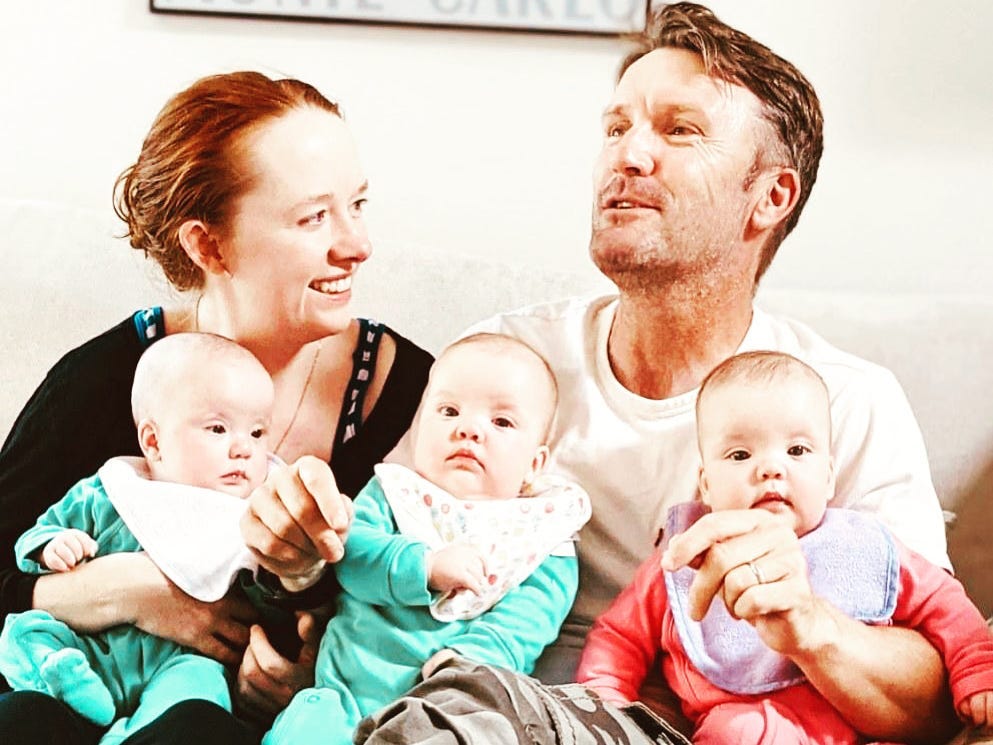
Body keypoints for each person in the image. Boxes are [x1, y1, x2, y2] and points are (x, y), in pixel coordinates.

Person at [355, 3, 962, 743]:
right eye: (616, 127)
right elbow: (380, 541)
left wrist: (811, 624)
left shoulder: (845, 401)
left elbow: (936, 703)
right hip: (480, 697)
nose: (627, 156)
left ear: (769, 196)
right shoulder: (501, 363)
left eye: (678, 130)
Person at [0, 71, 433, 745]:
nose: (357, 244)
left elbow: (450, 607)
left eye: (357, 204)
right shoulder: (101, 382)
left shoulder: (418, 399)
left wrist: (319, 679)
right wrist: (124, 590)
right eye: (314, 217)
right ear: (207, 244)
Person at [577, 351, 993, 743]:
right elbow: (619, 637)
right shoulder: (685, 555)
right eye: (740, 454)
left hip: (856, 728)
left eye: (797, 450)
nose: (771, 468)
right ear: (706, 483)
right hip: (732, 729)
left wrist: (978, 670)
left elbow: (944, 605)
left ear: (829, 476)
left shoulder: (863, 544)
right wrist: (604, 703)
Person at [263, 333, 592, 745]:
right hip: (343, 696)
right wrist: (424, 566)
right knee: (307, 730)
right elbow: (353, 558)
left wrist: (470, 664)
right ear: (418, 432)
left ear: (534, 464)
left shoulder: (542, 535)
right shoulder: (395, 495)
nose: (469, 429)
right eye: (449, 411)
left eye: (502, 422)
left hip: (449, 710)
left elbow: (527, 623)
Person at [0, 333, 278, 743]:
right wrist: (50, 547)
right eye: (218, 429)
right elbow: (34, 538)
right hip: (96, 648)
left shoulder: (256, 513)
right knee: (29, 639)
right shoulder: (110, 492)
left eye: (257, 433)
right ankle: (75, 689)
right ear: (153, 441)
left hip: (183, 667)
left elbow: (278, 594)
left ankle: (132, 735)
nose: (243, 449)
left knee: (198, 701)